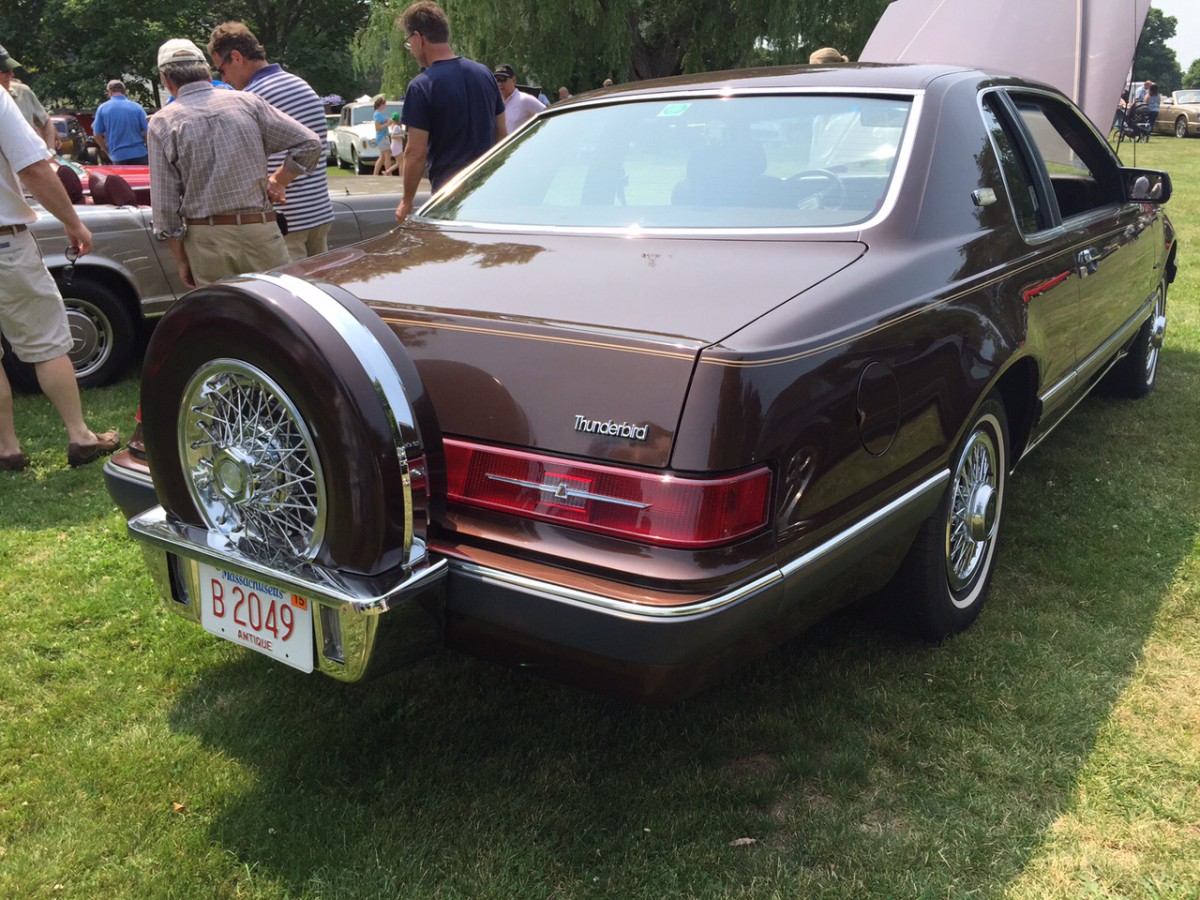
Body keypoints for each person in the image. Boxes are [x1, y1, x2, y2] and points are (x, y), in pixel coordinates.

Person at [0, 89, 119, 471]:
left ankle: (7, 448)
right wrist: (74, 222)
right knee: (48, 341)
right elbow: (33, 168)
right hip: (4, 242)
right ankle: (81, 436)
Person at [148, 38, 323, 287]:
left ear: (166, 79)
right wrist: (279, 180)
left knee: (223, 320)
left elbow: (165, 210)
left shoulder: (162, 122)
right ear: (207, 73)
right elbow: (310, 143)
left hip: (206, 240)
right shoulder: (248, 103)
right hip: (261, 232)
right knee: (278, 317)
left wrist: (182, 260)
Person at [207, 22, 335, 261]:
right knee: (319, 290)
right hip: (319, 212)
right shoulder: (301, 85)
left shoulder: (251, 98)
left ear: (236, 58)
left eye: (221, 71)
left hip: (286, 220)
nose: (223, 79)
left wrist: (277, 180)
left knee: (289, 295)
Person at [395, 1, 506, 221]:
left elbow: (415, 152)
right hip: (487, 191)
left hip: (449, 195)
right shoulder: (485, 75)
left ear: (418, 38)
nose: (411, 50)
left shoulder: (422, 85)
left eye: (409, 42)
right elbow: (502, 134)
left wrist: (407, 201)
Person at [0, 44, 56, 153]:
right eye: (5, 70)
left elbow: (45, 121)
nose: (11, 74)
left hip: (29, 165)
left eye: (11, 69)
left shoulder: (23, 92)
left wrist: (51, 150)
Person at [91, 80, 149, 165]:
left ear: (109, 92)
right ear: (125, 92)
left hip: (117, 155)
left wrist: (107, 152)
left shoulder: (102, 108)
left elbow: (97, 135)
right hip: (139, 154)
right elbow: (149, 130)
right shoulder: (137, 107)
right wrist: (147, 147)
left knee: (122, 178)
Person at [494, 63, 545, 133]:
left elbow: (549, 119)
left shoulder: (525, 100)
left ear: (513, 80)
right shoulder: (495, 104)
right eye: (496, 81)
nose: (499, 84)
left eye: (503, 79)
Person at [371, 96, 394, 175]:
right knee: (387, 156)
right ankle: (388, 173)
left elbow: (387, 120)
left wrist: (390, 121)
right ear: (381, 104)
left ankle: (375, 174)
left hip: (383, 137)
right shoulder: (377, 114)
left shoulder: (379, 114)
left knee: (382, 157)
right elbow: (377, 128)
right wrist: (387, 124)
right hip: (382, 137)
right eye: (385, 104)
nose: (386, 105)